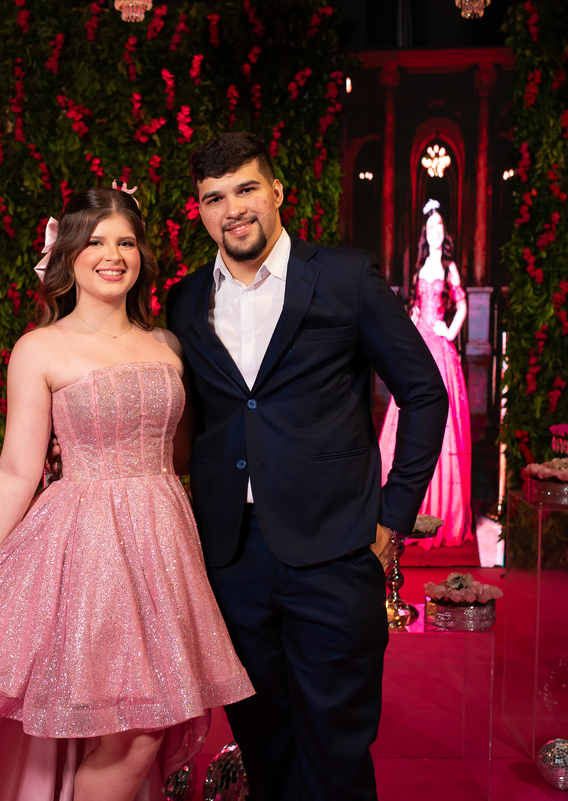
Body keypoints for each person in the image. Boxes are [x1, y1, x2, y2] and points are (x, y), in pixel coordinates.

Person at [0, 187, 254, 801]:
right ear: (66, 255)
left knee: (146, 725)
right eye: (95, 242)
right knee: (133, 733)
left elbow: (186, 456)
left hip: (165, 546)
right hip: (90, 551)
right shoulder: (40, 348)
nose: (113, 256)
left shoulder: (168, 345)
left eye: (126, 242)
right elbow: (17, 471)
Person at [165, 132, 447, 801]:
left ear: (278, 191)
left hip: (335, 553)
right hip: (231, 559)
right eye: (215, 197)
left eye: (246, 189)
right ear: (200, 210)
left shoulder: (345, 278)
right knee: (264, 749)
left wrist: (392, 518)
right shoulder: (184, 301)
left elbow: (424, 393)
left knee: (334, 751)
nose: (233, 209)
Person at [377, 199, 473, 550]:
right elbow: (416, 307)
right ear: (425, 233)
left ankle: (442, 510)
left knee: (441, 422)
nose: (435, 231)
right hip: (420, 343)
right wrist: (413, 322)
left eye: (439, 226)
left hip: (441, 349)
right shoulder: (419, 268)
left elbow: (462, 304)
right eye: (431, 227)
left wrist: (450, 330)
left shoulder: (450, 268)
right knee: (406, 415)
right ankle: (402, 509)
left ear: (444, 233)